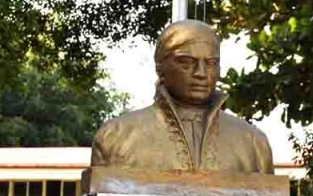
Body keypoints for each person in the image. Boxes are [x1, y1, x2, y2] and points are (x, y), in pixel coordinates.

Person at [91, 19, 273, 173]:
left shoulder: (254, 144)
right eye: (186, 62)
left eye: (211, 63)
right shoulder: (116, 137)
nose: (201, 73)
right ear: (160, 68)